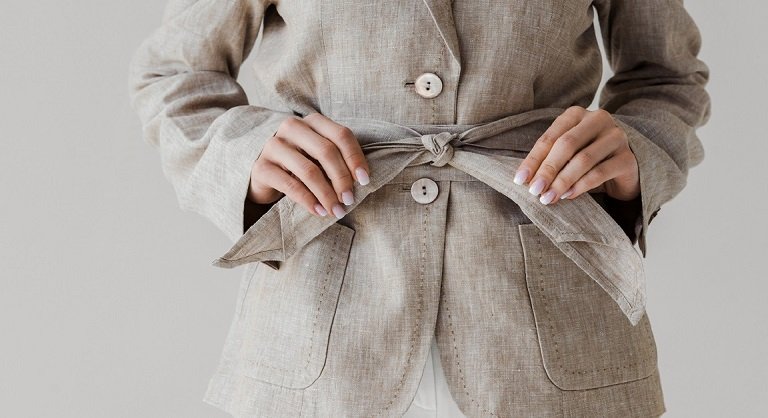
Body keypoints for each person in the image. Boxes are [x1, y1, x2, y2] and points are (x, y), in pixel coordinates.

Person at [128, 0, 711, 416]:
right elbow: (174, 74)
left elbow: (667, 78)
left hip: (553, 332)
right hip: (321, 327)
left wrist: (635, 150)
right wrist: (247, 151)